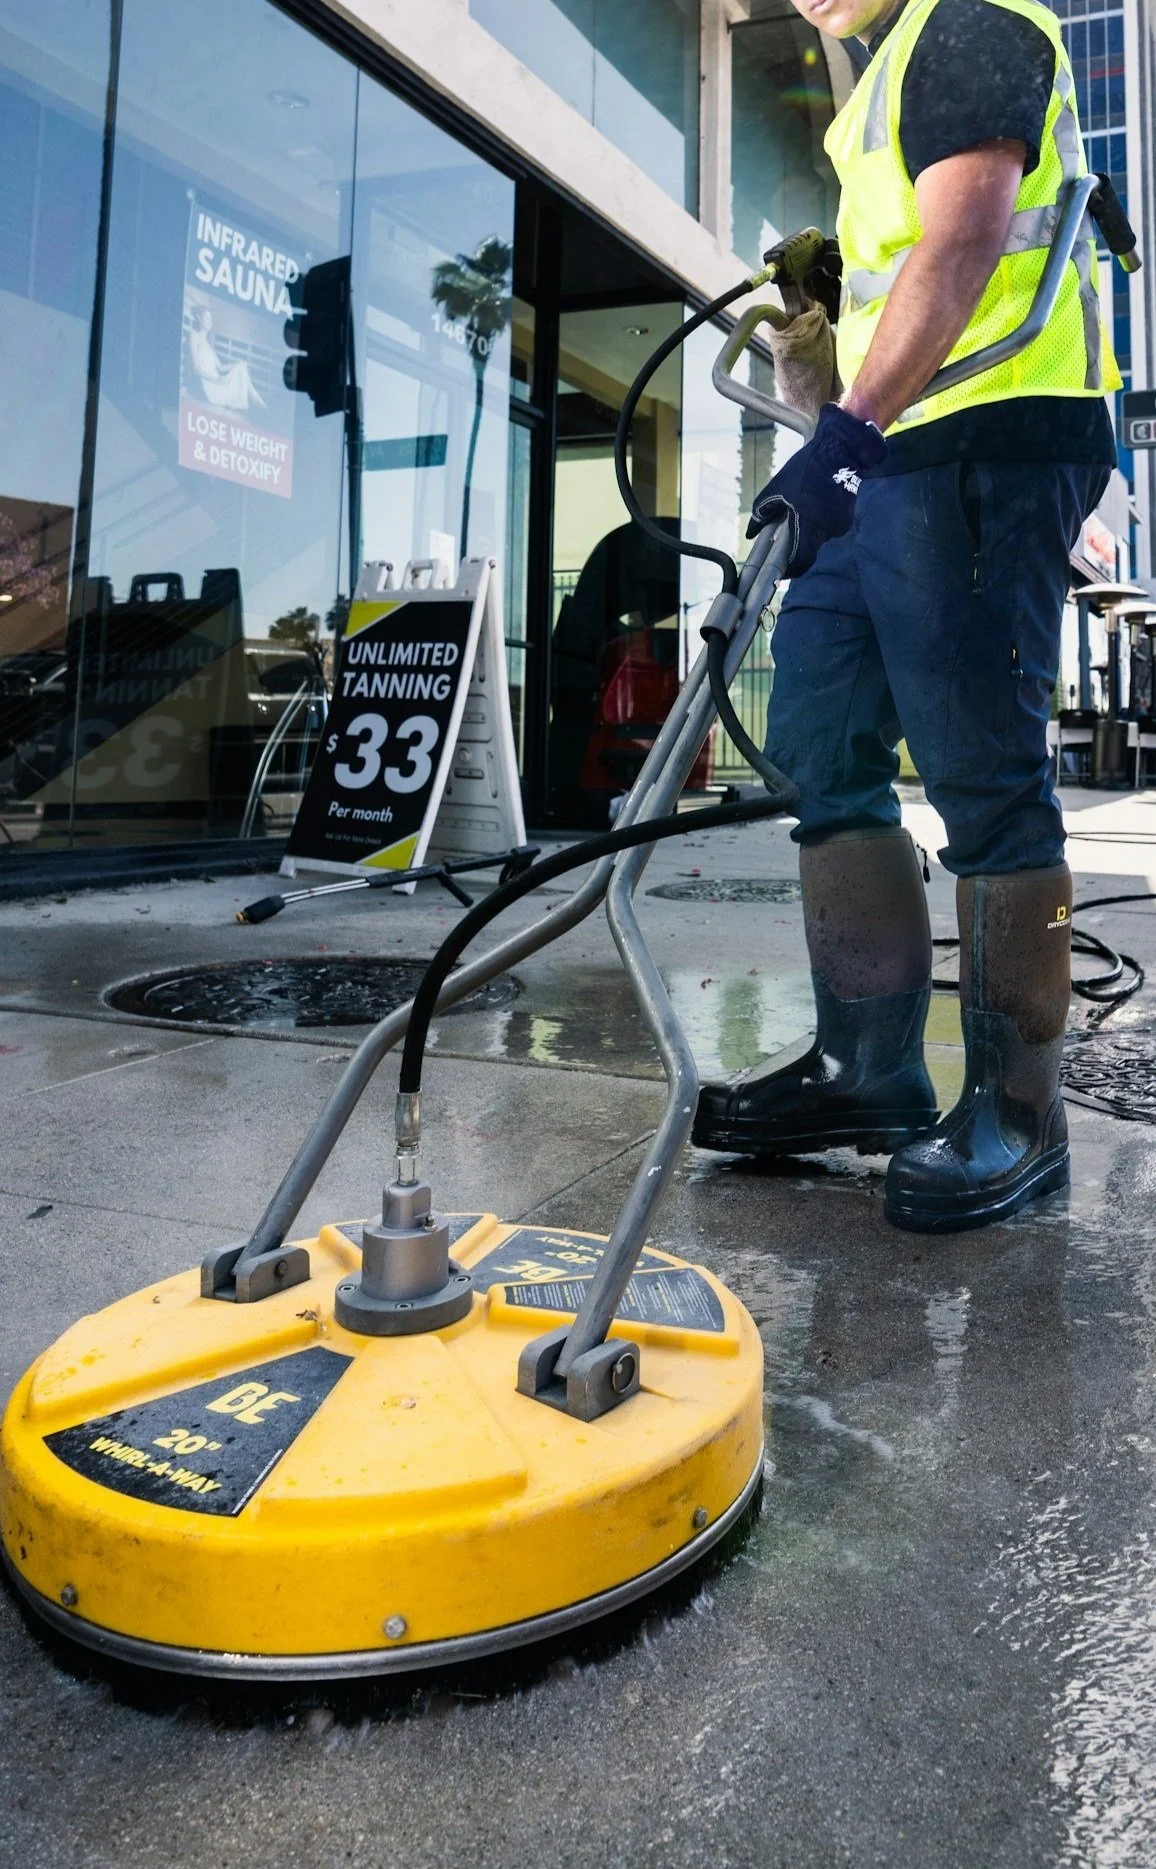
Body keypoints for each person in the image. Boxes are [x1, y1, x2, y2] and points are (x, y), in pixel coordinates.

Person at [693, 0, 1120, 1232]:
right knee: (822, 745)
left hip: (993, 432)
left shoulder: (973, 21)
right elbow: (897, 280)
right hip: (891, 451)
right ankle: (867, 1069)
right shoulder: (873, 80)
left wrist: (842, 437)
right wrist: (820, 377)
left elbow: (964, 244)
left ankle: (1020, 1113)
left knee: (983, 774)